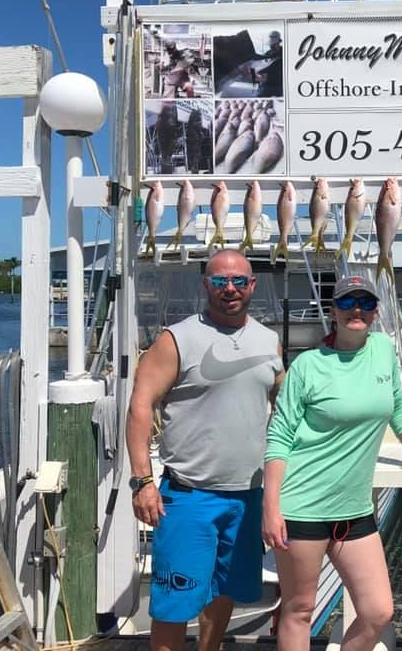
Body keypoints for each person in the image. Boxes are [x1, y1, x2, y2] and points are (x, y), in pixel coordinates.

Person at [263, 275, 402, 650]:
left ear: (375, 312)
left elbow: (397, 405)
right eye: (348, 303)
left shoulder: (383, 348)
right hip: (302, 506)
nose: (357, 310)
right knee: (300, 609)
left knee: (377, 610)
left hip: (354, 508)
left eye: (365, 304)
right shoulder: (307, 366)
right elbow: (279, 438)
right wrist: (271, 508)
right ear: (333, 311)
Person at [126, 250, 284, 651]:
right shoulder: (176, 339)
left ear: (251, 286)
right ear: (205, 285)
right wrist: (143, 481)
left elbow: (285, 405)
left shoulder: (269, 340)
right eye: (219, 281)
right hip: (188, 495)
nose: (229, 289)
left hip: (247, 496)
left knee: (223, 592)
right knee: (174, 605)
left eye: (237, 282)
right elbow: (140, 407)